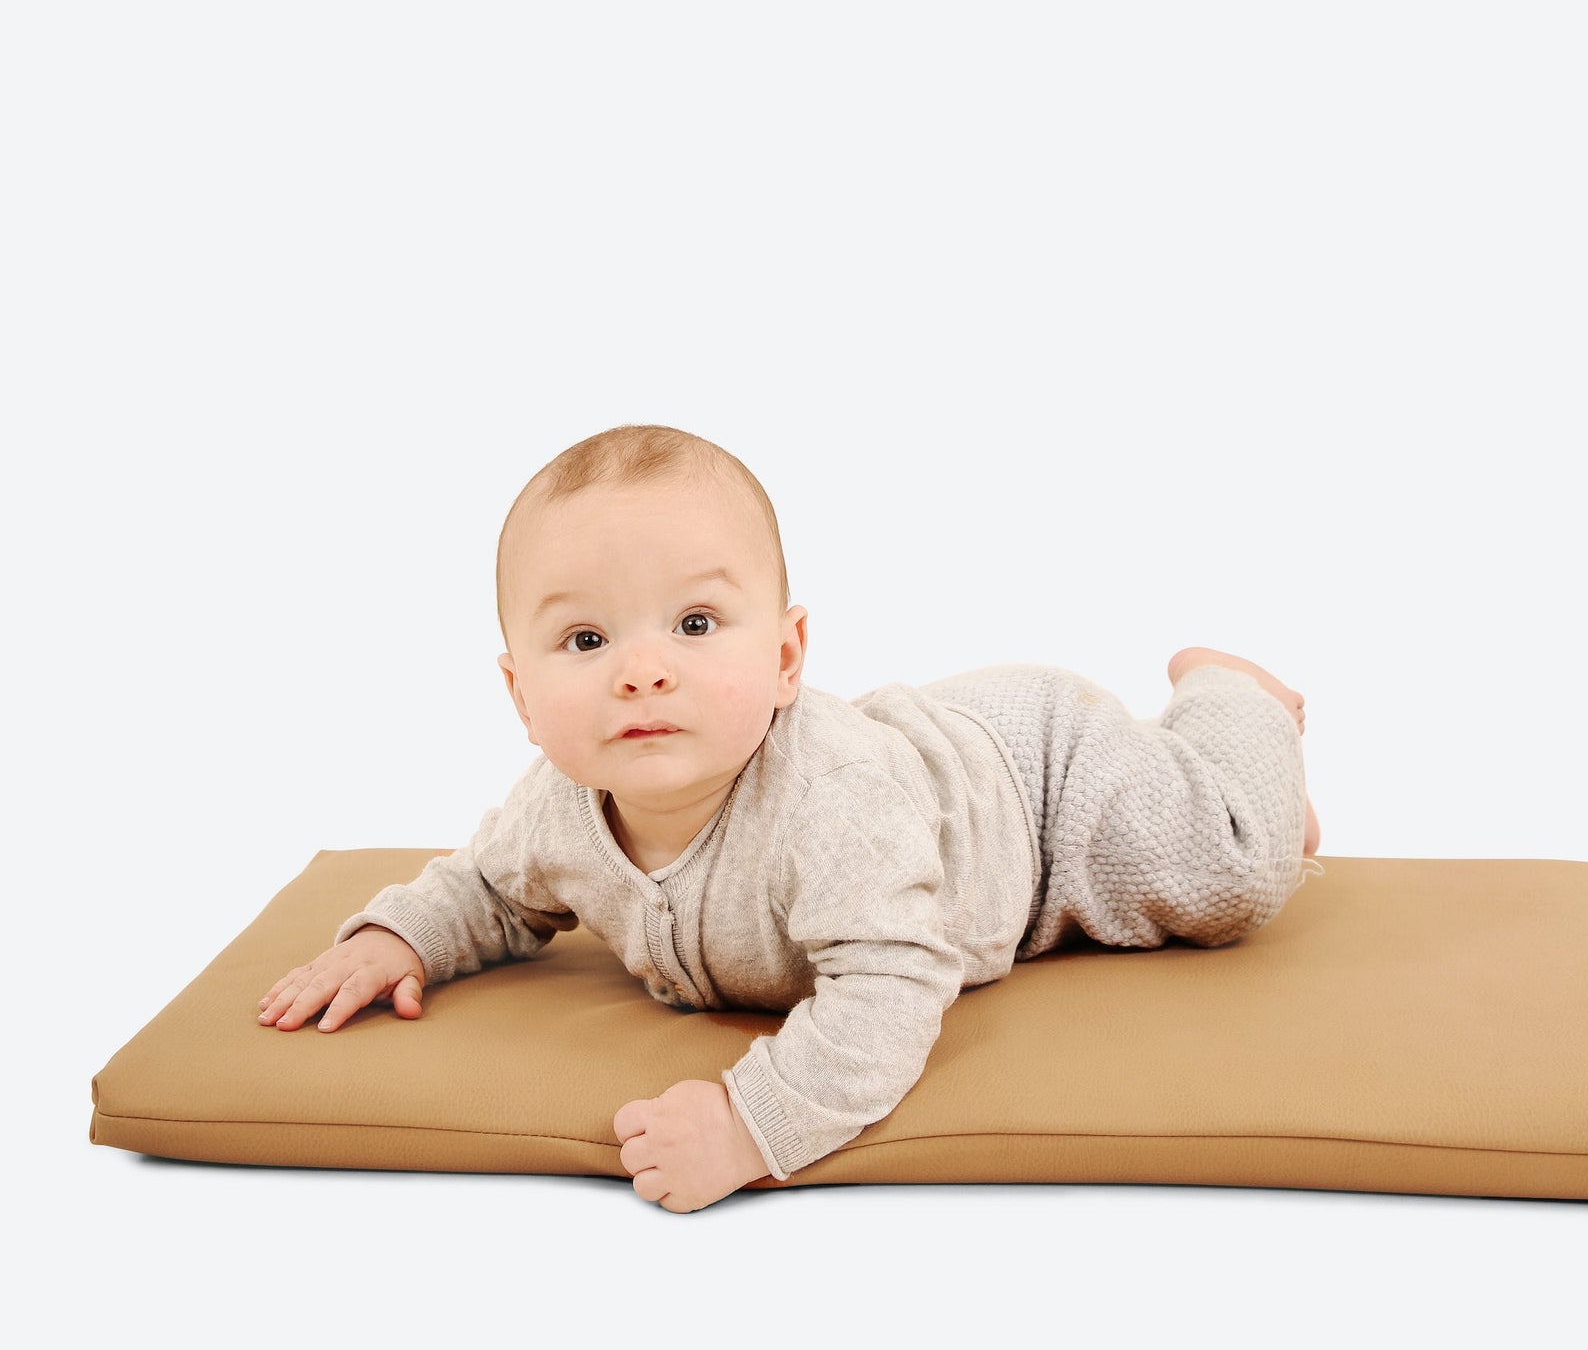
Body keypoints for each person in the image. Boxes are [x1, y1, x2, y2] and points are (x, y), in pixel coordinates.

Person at [257, 422, 1322, 1213]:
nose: (641, 671)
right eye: (585, 640)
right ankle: (1213, 757)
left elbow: (895, 985)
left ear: (783, 657)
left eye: (694, 622)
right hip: (924, 763)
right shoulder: (559, 812)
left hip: (1038, 786)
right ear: (519, 695)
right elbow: (482, 889)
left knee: (1234, 872)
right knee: (1206, 846)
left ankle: (1234, 700)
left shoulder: (829, 805)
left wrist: (749, 1124)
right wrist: (398, 935)